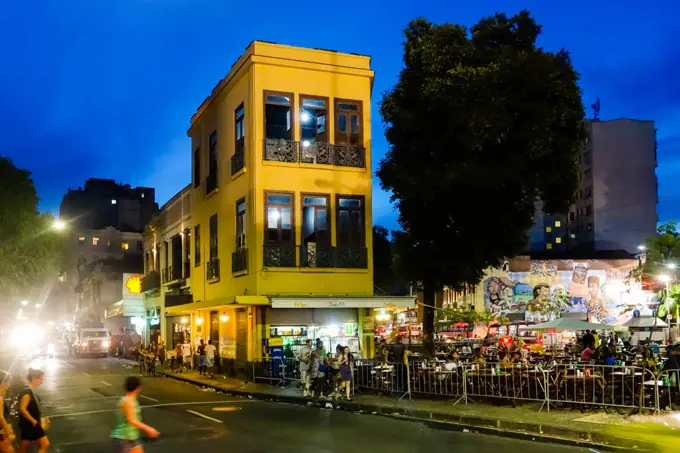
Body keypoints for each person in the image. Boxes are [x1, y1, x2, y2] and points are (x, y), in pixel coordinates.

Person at [111, 376, 159, 453]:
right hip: (123, 438)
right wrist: (148, 429)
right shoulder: (128, 401)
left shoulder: (131, 400)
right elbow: (132, 420)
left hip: (131, 437)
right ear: (138, 388)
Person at [18, 369, 48, 453]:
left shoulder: (30, 391)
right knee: (45, 444)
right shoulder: (27, 392)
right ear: (34, 379)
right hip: (30, 425)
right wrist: (34, 421)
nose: (42, 382)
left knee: (25, 445)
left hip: (30, 424)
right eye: (41, 379)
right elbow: (22, 409)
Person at [0, 371, 15, 453]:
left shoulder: (2, 397)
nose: (9, 384)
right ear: (2, 383)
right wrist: (9, 433)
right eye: (8, 381)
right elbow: (1, 417)